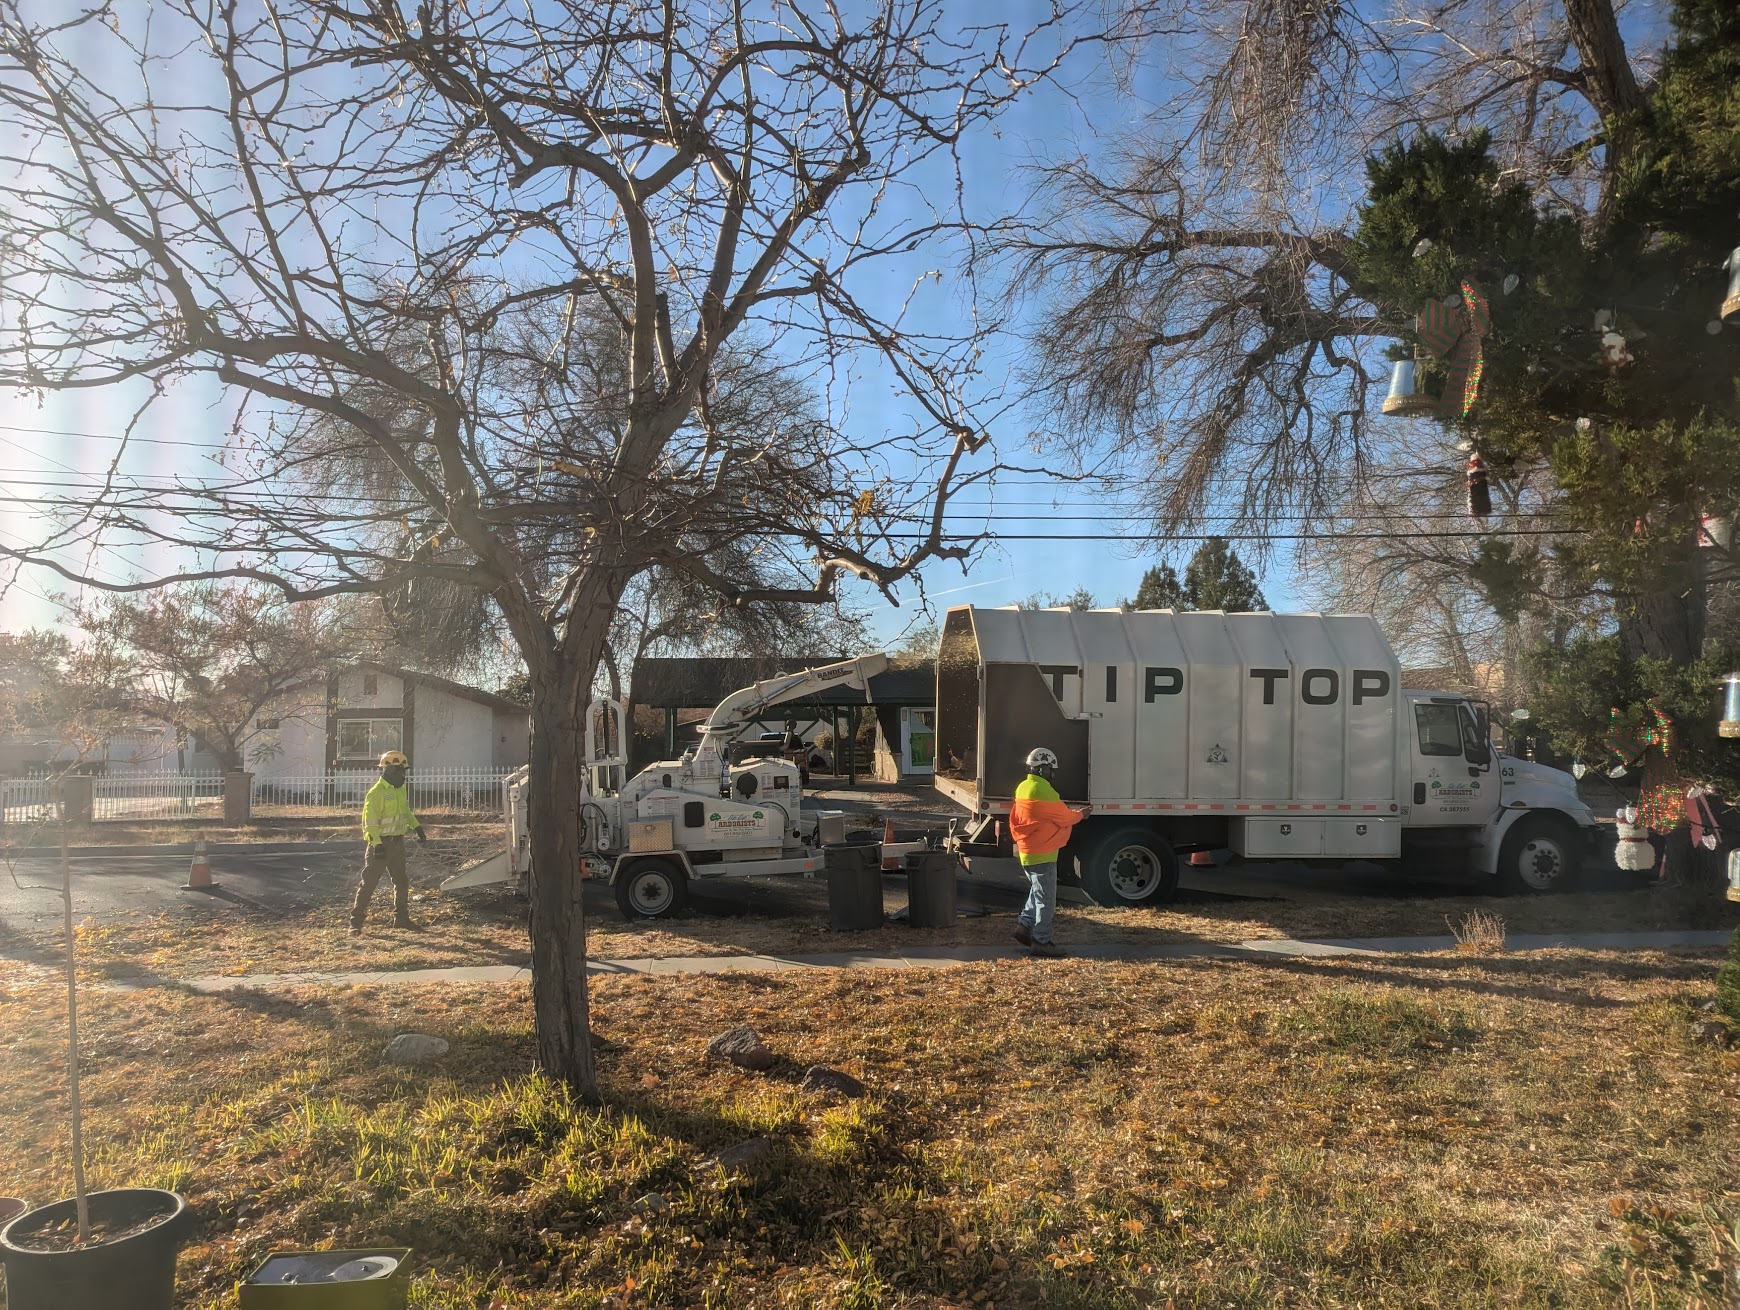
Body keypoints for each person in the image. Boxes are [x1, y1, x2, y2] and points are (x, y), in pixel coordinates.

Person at [1008, 746, 1089, 958]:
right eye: (1051, 770)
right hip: (1043, 853)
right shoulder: (1044, 791)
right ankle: (1041, 941)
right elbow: (1064, 817)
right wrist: (1081, 815)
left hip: (1028, 851)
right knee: (1047, 900)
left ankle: (1023, 927)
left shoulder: (1022, 788)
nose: (1052, 774)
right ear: (1043, 769)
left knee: (1037, 892)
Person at [351, 749, 427, 934]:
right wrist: (376, 844)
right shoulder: (376, 793)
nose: (403, 774)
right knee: (368, 883)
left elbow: (406, 811)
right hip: (380, 845)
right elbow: (369, 822)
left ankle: (401, 919)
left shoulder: (400, 789)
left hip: (397, 844)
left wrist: (417, 827)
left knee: (401, 882)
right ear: (388, 771)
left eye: (404, 771)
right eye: (399, 771)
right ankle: (355, 923)